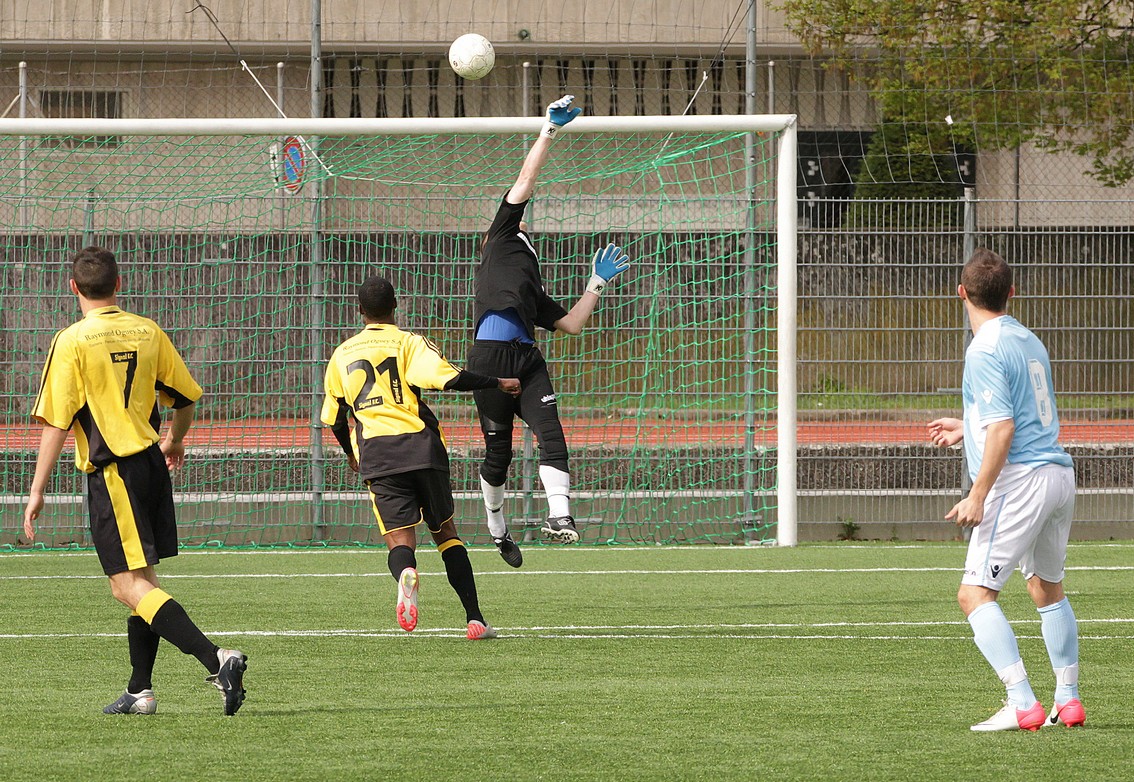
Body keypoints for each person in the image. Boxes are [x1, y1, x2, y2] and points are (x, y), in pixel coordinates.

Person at [23, 246, 247, 717]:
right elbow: (186, 398)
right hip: (149, 465)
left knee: (127, 586)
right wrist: (174, 440)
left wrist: (37, 489)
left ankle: (217, 658)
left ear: (73, 288)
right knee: (142, 583)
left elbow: (55, 424)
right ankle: (140, 690)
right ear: (118, 285)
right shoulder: (147, 330)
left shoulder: (73, 340)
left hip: (114, 473)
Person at [469, 94, 631, 567]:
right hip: (489, 360)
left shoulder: (530, 283)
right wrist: (550, 130)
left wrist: (596, 284)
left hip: (526, 358)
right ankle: (498, 530)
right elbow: (525, 180)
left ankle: (559, 516)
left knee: (552, 432)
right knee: (497, 455)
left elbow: (572, 325)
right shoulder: (500, 236)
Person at [928, 248, 1082, 732]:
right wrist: (965, 425)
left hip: (1020, 482)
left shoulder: (984, 348)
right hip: (1058, 474)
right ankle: (1069, 699)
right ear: (1011, 293)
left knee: (974, 595)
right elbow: (1012, 415)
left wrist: (977, 493)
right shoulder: (1027, 338)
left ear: (961, 293)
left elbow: (1004, 430)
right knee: (1045, 588)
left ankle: (1021, 703)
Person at [322, 276, 521, 640]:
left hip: (378, 455)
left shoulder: (342, 354)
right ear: (395, 307)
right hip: (422, 448)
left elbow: (335, 419)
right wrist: (497, 382)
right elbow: (448, 378)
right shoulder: (408, 342)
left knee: (400, 543)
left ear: (360, 311)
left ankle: (406, 575)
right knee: (446, 534)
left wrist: (351, 455)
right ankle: (475, 619)